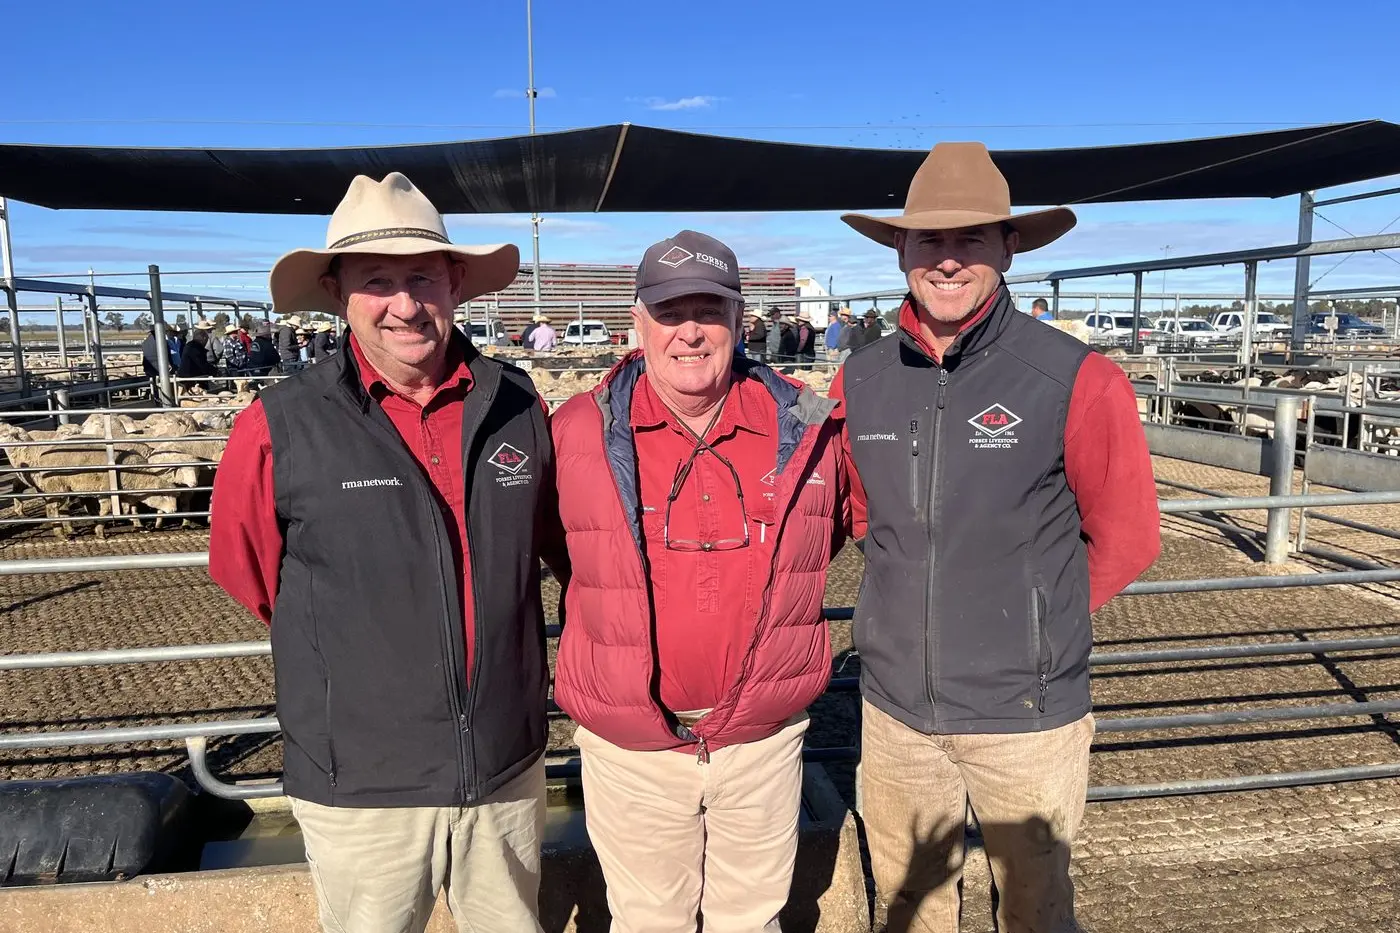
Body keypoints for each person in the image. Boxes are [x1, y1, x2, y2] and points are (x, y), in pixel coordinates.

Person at [210, 172, 566, 933]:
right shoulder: (280, 425)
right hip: (363, 782)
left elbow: (553, 540)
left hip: (503, 765)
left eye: (422, 278)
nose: (404, 305)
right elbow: (251, 575)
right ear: (337, 292)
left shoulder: (518, 404)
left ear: (455, 283)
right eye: (377, 281)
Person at [832, 141, 1161, 933]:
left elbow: (1127, 534)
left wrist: (1033, 623)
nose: (947, 260)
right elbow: (863, 513)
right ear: (900, 249)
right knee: (910, 906)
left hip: (1027, 716)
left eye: (971, 238)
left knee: (1034, 908)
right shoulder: (863, 378)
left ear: (1010, 247)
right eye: (930, 240)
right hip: (896, 710)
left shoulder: (1075, 377)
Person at [550, 229, 853, 933]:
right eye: (669, 311)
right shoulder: (575, 430)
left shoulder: (807, 427)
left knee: (752, 920)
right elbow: (560, 547)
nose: (689, 331)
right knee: (648, 922)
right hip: (634, 748)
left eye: (709, 311)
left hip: (760, 740)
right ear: (638, 322)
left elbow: (827, 533)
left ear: (739, 319)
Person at [178, 320, 219, 390]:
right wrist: (215, 371)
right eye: (206, 339)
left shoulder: (192, 346)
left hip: (192, 379)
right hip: (191, 381)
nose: (206, 342)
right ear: (203, 338)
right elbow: (202, 365)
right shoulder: (194, 348)